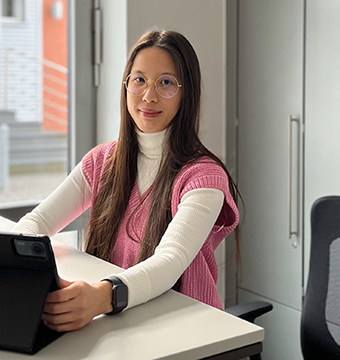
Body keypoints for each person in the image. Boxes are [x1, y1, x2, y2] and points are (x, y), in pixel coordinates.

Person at [12, 29, 240, 332]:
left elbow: (169, 261)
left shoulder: (204, 177)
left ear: (187, 93)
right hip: (121, 326)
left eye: (166, 83)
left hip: (186, 332)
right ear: (126, 86)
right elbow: (35, 223)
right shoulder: (103, 161)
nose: (149, 95)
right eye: (140, 80)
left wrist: (100, 297)